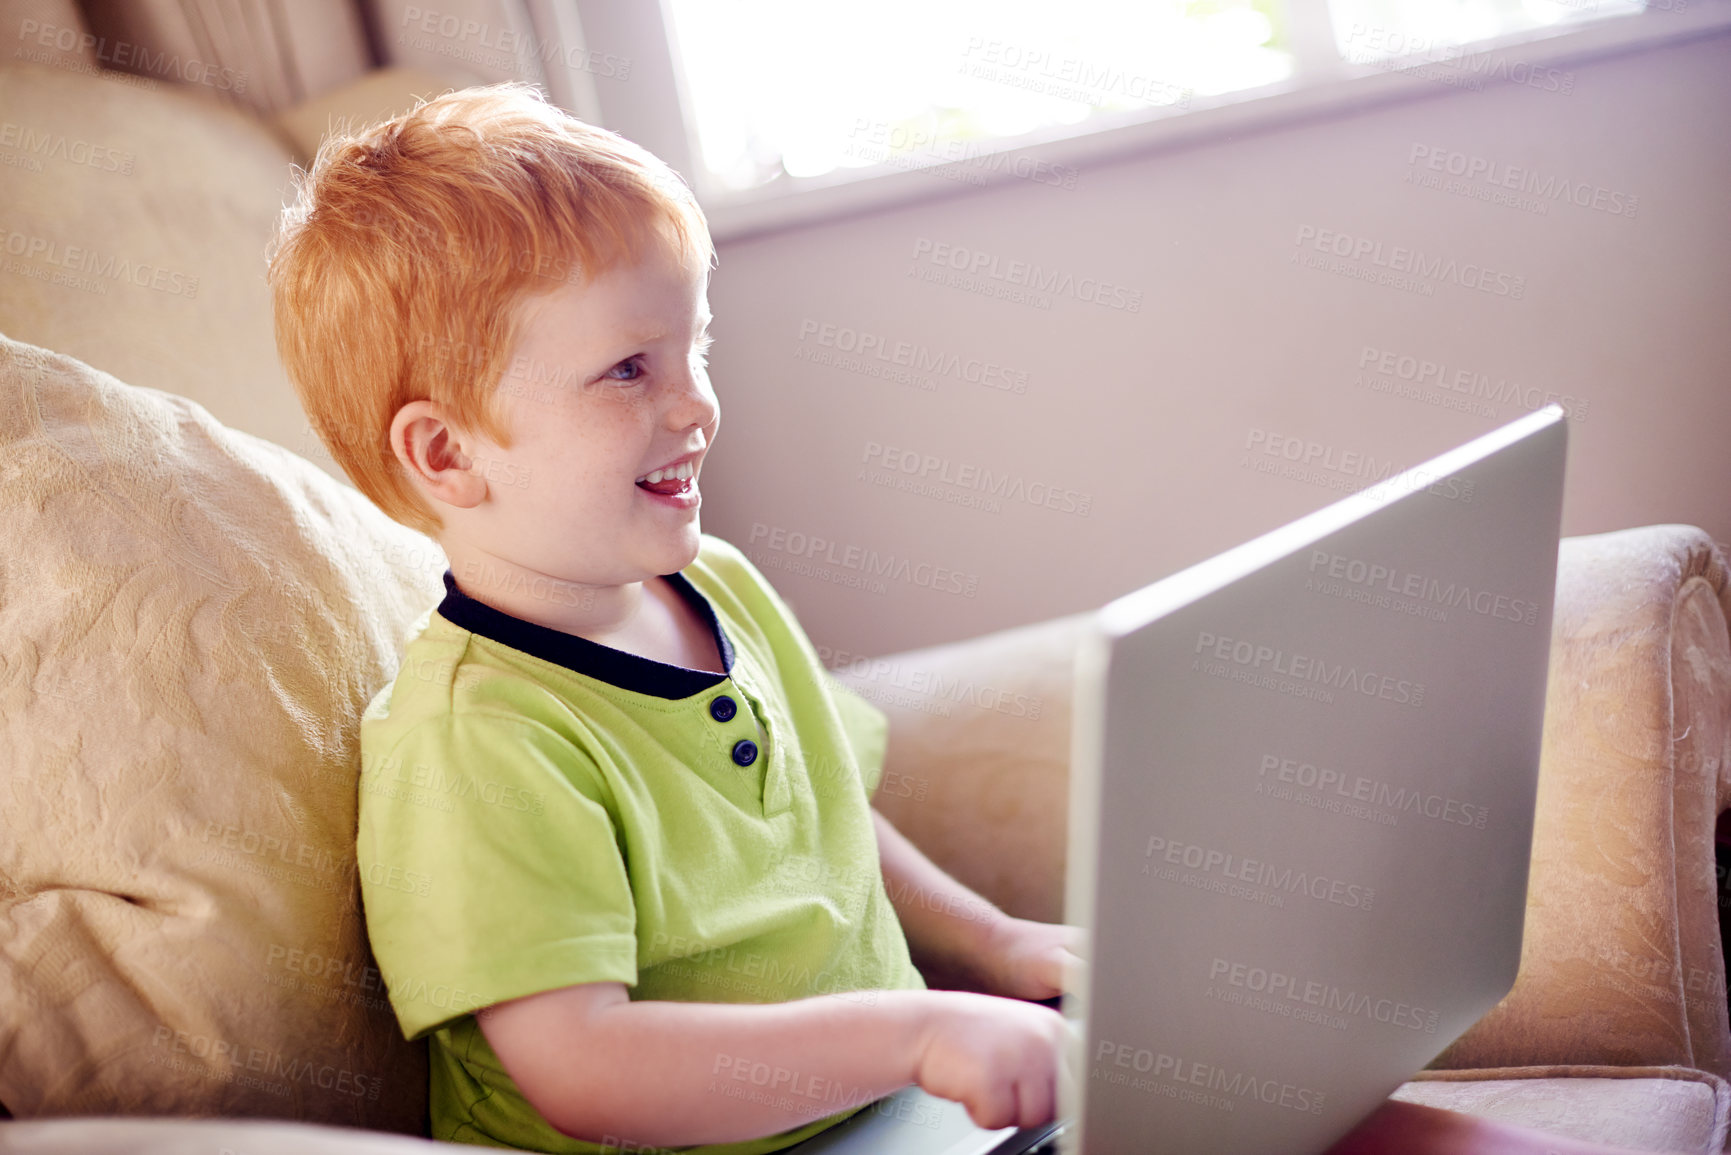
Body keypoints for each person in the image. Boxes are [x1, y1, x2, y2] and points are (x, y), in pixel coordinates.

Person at [266, 82, 1652, 1155]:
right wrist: (912, 1033)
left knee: (1394, 1128)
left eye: (692, 348)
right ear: (449, 458)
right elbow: (577, 1070)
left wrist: (997, 944)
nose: (693, 403)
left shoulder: (715, 588)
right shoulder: (477, 736)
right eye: (629, 368)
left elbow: (824, 812)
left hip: (908, 1126)